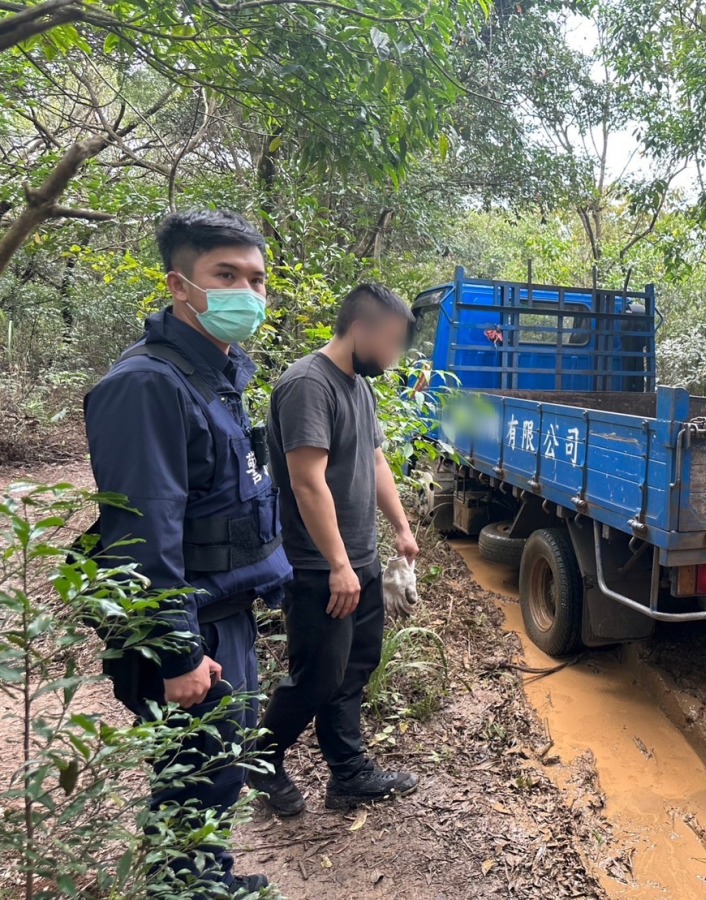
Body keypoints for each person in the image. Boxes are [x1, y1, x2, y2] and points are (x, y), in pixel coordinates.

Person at [84, 210, 291, 894]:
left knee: (218, 763)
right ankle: (188, 888)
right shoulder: (147, 385)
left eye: (257, 279)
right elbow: (144, 531)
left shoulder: (219, 374)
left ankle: (204, 879)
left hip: (223, 609)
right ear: (180, 285)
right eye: (225, 276)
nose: (248, 294)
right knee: (197, 768)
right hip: (189, 624)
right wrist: (174, 655)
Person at [252, 283, 421, 816]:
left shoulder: (359, 387)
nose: (394, 358)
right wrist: (338, 566)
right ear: (362, 329)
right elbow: (307, 482)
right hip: (319, 566)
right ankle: (259, 764)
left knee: (355, 667)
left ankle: (347, 774)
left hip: (362, 559)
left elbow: (373, 463)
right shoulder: (307, 383)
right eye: (391, 344)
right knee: (318, 675)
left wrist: (400, 525)